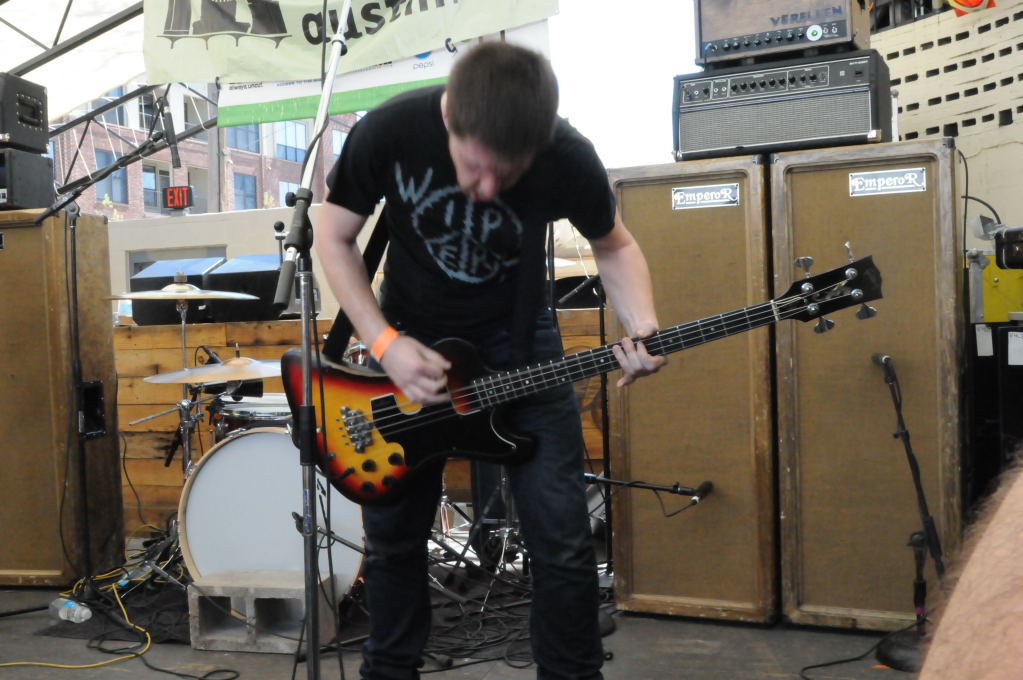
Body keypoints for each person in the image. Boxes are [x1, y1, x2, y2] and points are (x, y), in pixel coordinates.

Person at [315, 40, 666, 680]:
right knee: (394, 544)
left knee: (563, 544)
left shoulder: (566, 153)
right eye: (475, 168)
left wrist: (640, 324)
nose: (486, 189)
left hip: (521, 348)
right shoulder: (390, 129)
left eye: (506, 176)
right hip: (410, 343)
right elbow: (333, 236)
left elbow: (614, 245)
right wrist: (384, 342)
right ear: (450, 117)